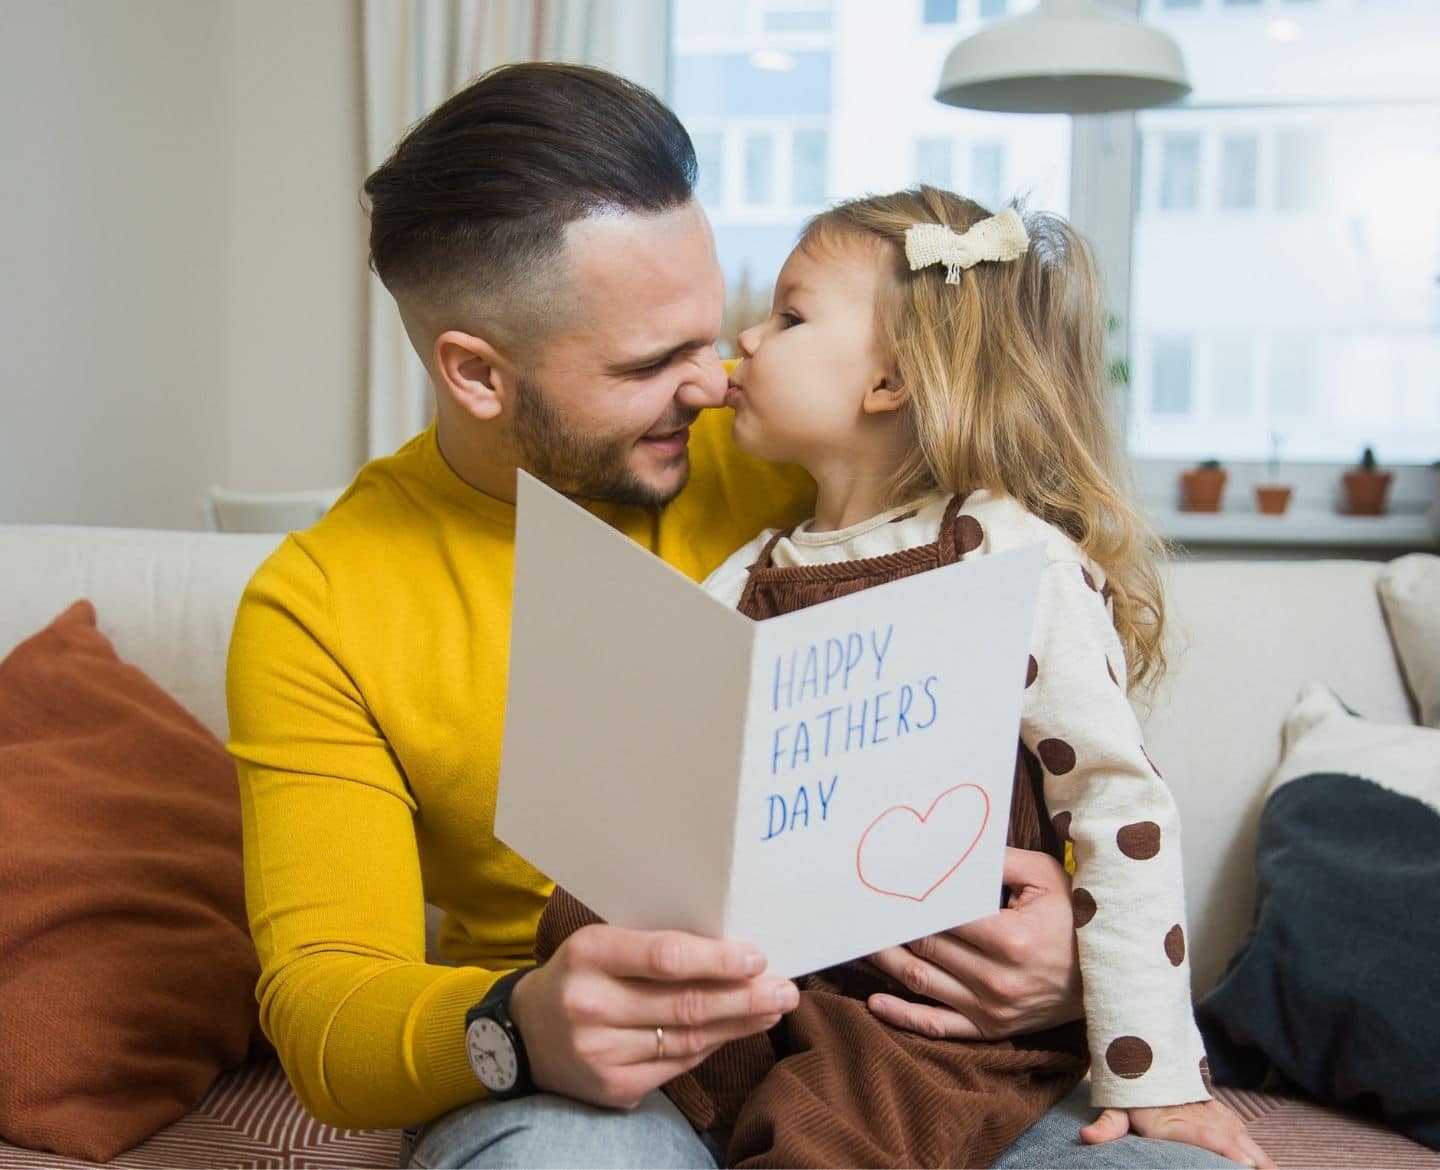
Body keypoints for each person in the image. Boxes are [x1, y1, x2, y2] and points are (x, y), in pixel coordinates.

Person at [225, 61, 1247, 1169]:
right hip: (603, 1091)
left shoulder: (816, 461)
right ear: (477, 374)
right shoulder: (318, 604)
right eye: (651, 362)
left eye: (723, 329)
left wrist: (1079, 960)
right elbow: (328, 1012)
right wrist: (520, 1025)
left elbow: (1068, 723)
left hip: (919, 1044)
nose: (715, 379)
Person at [594, 184, 1268, 1168]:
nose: (747, 336)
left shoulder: (1006, 556)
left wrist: (1152, 1074)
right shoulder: (753, 571)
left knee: (822, 1135)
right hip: (773, 986)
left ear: (890, 381)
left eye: (788, 315)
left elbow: (1119, 809)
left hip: (930, 1020)